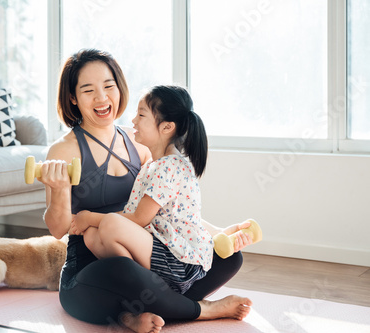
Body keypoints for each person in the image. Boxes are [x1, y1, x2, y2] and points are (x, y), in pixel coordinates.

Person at [39, 48, 253, 333]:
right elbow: (58, 229)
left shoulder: (141, 143)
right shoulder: (63, 149)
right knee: (123, 270)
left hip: (145, 259)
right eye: (88, 90)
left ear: (119, 88)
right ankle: (200, 310)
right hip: (93, 268)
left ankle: (137, 312)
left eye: (108, 86)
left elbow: (167, 214)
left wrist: (220, 233)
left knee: (229, 257)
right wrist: (60, 190)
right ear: (73, 98)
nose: (102, 98)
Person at [71, 85, 216, 295]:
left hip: (179, 261)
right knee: (91, 236)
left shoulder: (169, 166)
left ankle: (144, 289)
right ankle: (138, 285)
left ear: (167, 127)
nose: (133, 121)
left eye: (141, 114)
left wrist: (88, 217)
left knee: (108, 223)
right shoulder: (153, 165)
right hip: (161, 251)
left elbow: (139, 218)